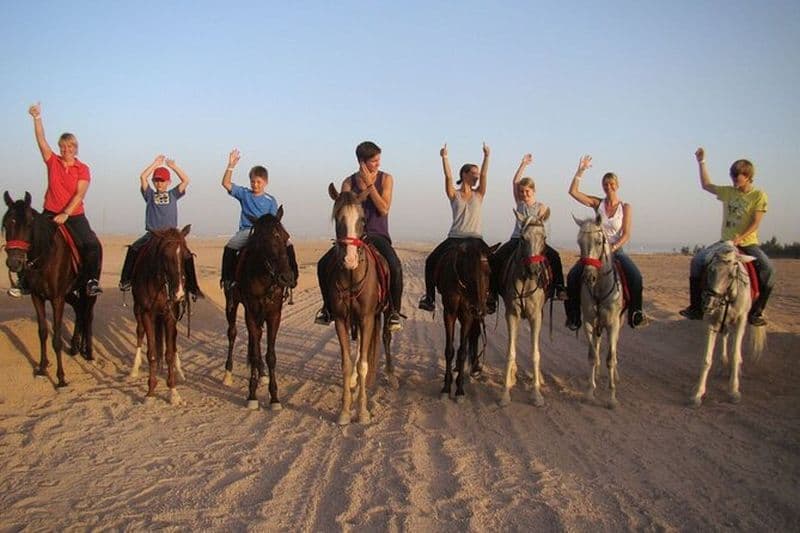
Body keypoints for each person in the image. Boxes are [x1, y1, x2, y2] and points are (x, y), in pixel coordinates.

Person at [15, 102, 103, 298]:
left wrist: (66, 213)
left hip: (74, 214)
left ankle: (91, 281)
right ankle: (24, 281)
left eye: (70, 146)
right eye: (63, 146)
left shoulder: (83, 169)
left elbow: (79, 194)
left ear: (75, 148)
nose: (66, 149)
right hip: (49, 212)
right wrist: (37, 118)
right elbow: (41, 140)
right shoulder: (53, 161)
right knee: (28, 239)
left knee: (92, 244)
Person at [679, 148, 774, 326]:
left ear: (748, 176)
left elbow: (755, 222)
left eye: (737, 176)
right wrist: (701, 162)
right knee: (697, 262)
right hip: (725, 242)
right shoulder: (728, 192)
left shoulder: (758, 195)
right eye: (732, 175)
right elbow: (706, 185)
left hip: (748, 243)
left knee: (769, 270)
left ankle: (757, 312)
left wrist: (740, 238)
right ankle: (696, 307)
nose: (733, 179)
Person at [315, 141, 404, 331]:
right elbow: (343, 211)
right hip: (352, 237)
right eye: (374, 161)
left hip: (377, 235)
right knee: (323, 264)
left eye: (379, 159)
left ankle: (393, 312)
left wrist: (370, 185)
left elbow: (383, 209)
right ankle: (327, 308)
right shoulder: (348, 183)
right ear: (362, 162)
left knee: (395, 266)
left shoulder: (386, 179)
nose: (378, 164)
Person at [564, 155, 648, 329]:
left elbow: (626, 234)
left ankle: (636, 313)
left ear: (617, 185)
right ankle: (573, 315)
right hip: (596, 251)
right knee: (572, 276)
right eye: (605, 184)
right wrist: (581, 170)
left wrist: (613, 247)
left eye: (611, 184)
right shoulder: (598, 203)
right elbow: (573, 192)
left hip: (616, 250)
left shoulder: (625, 207)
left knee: (636, 277)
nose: (608, 187)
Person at [418, 143, 494, 312]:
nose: (477, 177)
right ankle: (429, 298)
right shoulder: (454, 194)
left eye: (477, 174)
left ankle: (490, 297)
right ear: (464, 174)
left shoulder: (479, 193)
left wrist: (486, 156)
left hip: (476, 238)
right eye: (473, 173)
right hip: (455, 238)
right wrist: (444, 157)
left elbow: (484, 174)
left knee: (492, 262)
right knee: (431, 261)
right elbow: (448, 177)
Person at [118, 155, 201, 299]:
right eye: (156, 180)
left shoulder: (173, 194)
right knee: (133, 249)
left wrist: (173, 167)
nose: (159, 183)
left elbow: (186, 180)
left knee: (187, 255)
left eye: (162, 181)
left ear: (168, 182)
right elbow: (143, 177)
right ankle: (126, 280)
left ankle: (193, 287)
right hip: (152, 234)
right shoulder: (149, 194)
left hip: (170, 236)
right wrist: (155, 164)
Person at [489, 153, 566, 304]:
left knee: (555, 256)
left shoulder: (541, 207)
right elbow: (515, 181)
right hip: (517, 239)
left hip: (535, 242)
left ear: (533, 191)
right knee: (497, 257)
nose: (524, 194)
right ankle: (492, 292)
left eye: (527, 191)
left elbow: (542, 227)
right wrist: (523, 164)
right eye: (522, 192)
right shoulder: (520, 203)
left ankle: (559, 287)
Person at [220, 149, 298, 291]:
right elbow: (225, 183)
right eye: (253, 181)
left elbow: (273, 221)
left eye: (258, 182)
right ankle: (228, 279)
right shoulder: (244, 193)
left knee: (288, 243)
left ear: (265, 182)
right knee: (230, 246)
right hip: (248, 231)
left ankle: (292, 276)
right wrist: (231, 166)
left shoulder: (270, 200)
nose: (255, 184)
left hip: (266, 232)